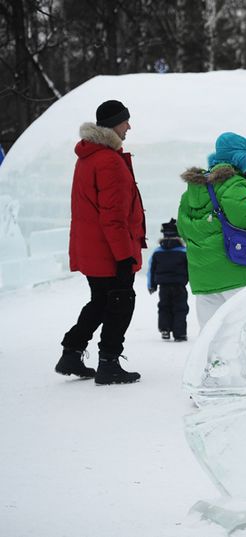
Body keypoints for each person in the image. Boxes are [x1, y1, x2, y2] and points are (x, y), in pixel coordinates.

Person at [56, 99, 145, 385]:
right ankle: (109, 362)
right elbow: (113, 217)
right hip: (109, 250)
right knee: (120, 302)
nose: (129, 126)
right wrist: (123, 256)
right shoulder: (108, 161)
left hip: (93, 247)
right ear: (114, 124)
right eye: (125, 121)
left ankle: (71, 352)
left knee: (100, 302)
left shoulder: (89, 157)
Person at [177, 132, 246, 328]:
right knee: (244, 330)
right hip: (235, 270)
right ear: (242, 158)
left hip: (203, 277)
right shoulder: (234, 183)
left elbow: (183, 227)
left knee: (211, 335)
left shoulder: (194, 188)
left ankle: (213, 360)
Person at [147, 218, 189, 341]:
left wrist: (151, 285)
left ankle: (165, 329)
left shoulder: (157, 252)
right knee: (180, 308)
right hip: (179, 286)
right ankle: (179, 333)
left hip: (163, 286)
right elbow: (190, 269)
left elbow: (151, 270)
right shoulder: (183, 252)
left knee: (164, 307)